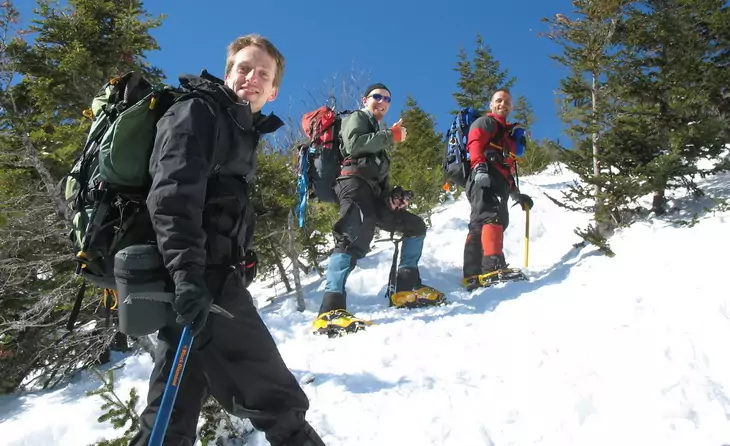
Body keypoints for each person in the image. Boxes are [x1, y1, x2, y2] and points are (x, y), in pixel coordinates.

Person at [129, 34, 326, 446]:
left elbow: (216, 204)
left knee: (173, 407)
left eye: (263, 74)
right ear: (228, 73)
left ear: (273, 92)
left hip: (200, 277)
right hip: (202, 279)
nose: (251, 77)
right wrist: (188, 275)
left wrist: (241, 256)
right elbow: (172, 196)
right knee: (277, 397)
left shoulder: (236, 128)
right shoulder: (198, 113)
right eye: (244, 68)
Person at [312, 83, 445, 337]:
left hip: (371, 195)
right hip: (351, 184)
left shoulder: (378, 137)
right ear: (365, 99)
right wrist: (391, 136)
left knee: (414, 226)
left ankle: (405, 288)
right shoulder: (357, 118)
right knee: (351, 234)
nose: (382, 101)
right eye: (377, 96)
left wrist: (392, 198)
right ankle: (329, 309)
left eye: (386, 99)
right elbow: (353, 146)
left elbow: (378, 180)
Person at [462, 88, 534, 290]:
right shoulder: (487, 122)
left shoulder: (506, 134)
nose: (503, 104)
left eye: (507, 102)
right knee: (493, 215)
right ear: (491, 104)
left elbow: (506, 168)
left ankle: (472, 274)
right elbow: (474, 142)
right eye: (499, 100)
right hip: (483, 175)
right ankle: (493, 267)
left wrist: (515, 193)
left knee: (479, 222)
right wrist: (479, 168)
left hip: (494, 178)